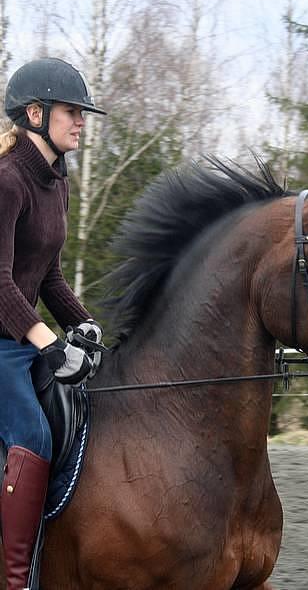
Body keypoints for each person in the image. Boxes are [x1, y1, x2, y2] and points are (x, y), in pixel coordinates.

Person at [0, 57, 106, 590]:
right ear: (35, 114)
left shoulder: (56, 182)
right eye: (72, 112)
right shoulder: (7, 180)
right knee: (34, 436)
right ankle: (16, 580)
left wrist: (87, 328)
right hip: (2, 343)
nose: (81, 121)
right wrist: (46, 341)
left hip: (17, 338)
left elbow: (49, 278)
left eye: (81, 113)